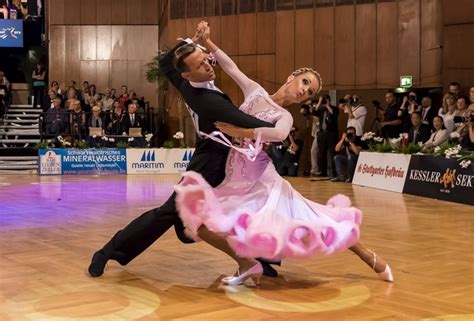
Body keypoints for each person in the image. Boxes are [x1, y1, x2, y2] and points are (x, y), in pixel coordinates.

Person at [174, 23, 393, 286]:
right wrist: (208, 43)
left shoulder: (285, 116)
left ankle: (370, 256)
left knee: (316, 221)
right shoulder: (255, 92)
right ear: (292, 77)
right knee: (200, 221)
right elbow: (231, 68)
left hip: (261, 178)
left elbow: (277, 134)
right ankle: (247, 265)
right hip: (235, 175)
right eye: (304, 82)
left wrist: (240, 131)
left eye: (310, 92)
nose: (304, 91)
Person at [87, 22, 277, 278]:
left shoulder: (186, 81)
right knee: (171, 214)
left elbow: (167, 64)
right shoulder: (208, 101)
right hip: (209, 164)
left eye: (205, 59)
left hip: (222, 156)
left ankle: (256, 259)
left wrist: (191, 41)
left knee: (230, 210)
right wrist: (283, 125)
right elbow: (251, 124)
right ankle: (108, 251)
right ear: (188, 75)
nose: (209, 65)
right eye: (200, 64)